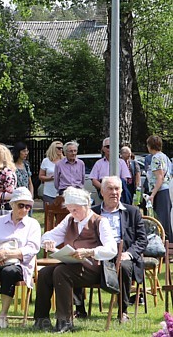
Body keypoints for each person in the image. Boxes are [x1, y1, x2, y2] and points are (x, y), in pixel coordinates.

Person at [33, 187, 118, 333]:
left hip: (93, 269)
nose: (72, 213)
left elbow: (112, 249)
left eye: (75, 210)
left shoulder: (100, 222)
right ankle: (41, 320)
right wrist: (47, 241)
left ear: (86, 206)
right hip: (72, 266)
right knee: (45, 273)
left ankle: (65, 322)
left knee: (61, 272)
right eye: (70, 210)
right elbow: (49, 235)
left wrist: (90, 252)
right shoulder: (69, 219)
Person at [84, 176, 146, 322]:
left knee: (124, 267)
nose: (114, 192)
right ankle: (79, 309)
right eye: (110, 189)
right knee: (76, 263)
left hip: (123, 254)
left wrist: (129, 254)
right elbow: (84, 237)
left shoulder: (132, 212)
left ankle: (122, 312)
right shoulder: (92, 213)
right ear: (102, 192)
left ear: (122, 191)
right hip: (99, 253)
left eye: (117, 189)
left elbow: (142, 240)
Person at [0, 187, 40, 329]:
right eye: (21, 205)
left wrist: (8, 254)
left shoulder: (33, 224)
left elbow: (33, 248)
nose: (25, 209)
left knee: (9, 272)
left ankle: (2, 317)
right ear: (12, 204)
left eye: (28, 206)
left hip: (18, 263)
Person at [89, 137, 132, 202]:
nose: (110, 148)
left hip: (118, 193)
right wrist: (104, 189)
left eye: (112, 146)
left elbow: (125, 179)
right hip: (102, 192)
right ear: (103, 148)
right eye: (108, 146)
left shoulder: (121, 162)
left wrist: (113, 189)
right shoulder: (98, 163)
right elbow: (94, 180)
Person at [146, 135, 172, 240]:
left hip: (161, 191)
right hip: (167, 190)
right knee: (167, 219)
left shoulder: (156, 158)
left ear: (150, 146)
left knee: (163, 221)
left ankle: (167, 246)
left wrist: (152, 195)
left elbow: (160, 177)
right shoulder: (164, 156)